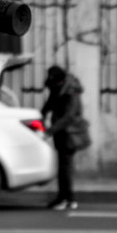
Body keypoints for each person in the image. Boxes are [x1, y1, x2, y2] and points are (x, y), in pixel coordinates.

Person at [40, 64, 89, 211]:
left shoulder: (70, 91)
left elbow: (69, 116)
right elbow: (50, 103)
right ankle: (63, 198)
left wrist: (50, 131)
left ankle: (69, 199)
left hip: (69, 134)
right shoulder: (58, 88)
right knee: (63, 168)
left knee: (65, 169)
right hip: (62, 133)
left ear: (59, 81)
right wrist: (41, 115)